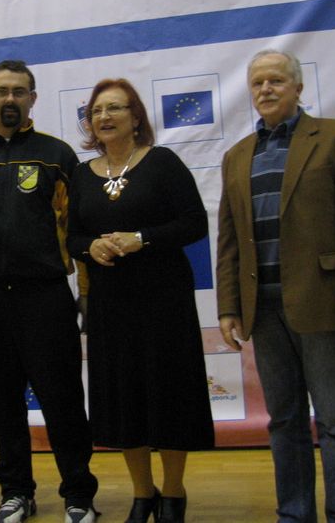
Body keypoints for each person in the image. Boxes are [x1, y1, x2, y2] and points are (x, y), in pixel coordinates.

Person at [216, 50, 335, 523]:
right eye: (258, 82)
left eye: (276, 80)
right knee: (284, 422)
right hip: (263, 311)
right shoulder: (236, 156)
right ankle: (294, 515)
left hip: (322, 305)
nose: (265, 89)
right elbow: (229, 240)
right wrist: (229, 307)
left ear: (298, 88)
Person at [0, 60, 98, 523]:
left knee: (63, 400)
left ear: (32, 98)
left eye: (18, 91)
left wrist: (87, 293)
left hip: (45, 296)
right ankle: (16, 493)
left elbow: (80, 229)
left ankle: (78, 495)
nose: (9, 99)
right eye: (1, 91)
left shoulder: (57, 155)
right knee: (5, 401)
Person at [66, 78, 214, 523]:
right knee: (123, 397)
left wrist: (142, 238)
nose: (104, 117)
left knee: (169, 394)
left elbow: (195, 223)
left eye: (114, 108)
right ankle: (142, 493)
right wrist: (90, 247)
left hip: (164, 301)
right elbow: (73, 237)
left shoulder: (162, 162)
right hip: (110, 305)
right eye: (96, 111)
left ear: (135, 117)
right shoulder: (81, 175)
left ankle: (174, 492)